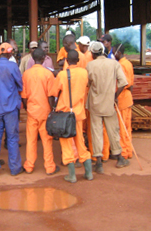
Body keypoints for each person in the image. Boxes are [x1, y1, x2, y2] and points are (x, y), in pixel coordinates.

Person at [49, 50, 93, 183]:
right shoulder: (84, 73)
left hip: (64, 114)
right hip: (78, 114)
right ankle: (89, 173)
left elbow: (54, 92)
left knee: (67, 144)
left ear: (66, 60)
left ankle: (72, 176)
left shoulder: (62, 75)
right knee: (80, 142)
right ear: (79, 61)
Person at [86, 41, 130, 174]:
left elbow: (88, 84)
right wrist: (115, 96)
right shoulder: (114, 64)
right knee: (113, 131)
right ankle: (120, 158)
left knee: (96, 132)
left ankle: (98, 162)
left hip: (95, 104)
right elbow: (123, 82)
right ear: (103, 51)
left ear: (93, 53)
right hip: (109, 103)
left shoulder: (90, 65)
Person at [0, 42, 24, 177]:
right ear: (9, 53)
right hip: (10, 108)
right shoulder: (12, 66)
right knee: (12, 138)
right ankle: (15, 168)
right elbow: (20, 85)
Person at [22, 48, 59, 175]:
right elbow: (51, 96)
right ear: (44, 58)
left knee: (31, 140)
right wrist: (52, 110)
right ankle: (49, 167)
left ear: (32, 58)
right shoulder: (48, 74)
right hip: (45, 111)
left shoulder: (26, 74)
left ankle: (29, 166)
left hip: (32, 111)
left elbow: (24, 96)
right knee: (47, 140)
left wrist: (28, 109)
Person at [113, 43, 134, 160]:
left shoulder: (120, 65)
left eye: (114, 51)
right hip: (128, 97)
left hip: (122, 98)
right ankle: (128, 150)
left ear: (119, 53)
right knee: (127, 127)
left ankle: (124, 152)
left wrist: (115, 96)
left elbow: (123, 83)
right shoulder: (128, 64)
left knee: (122, 128)